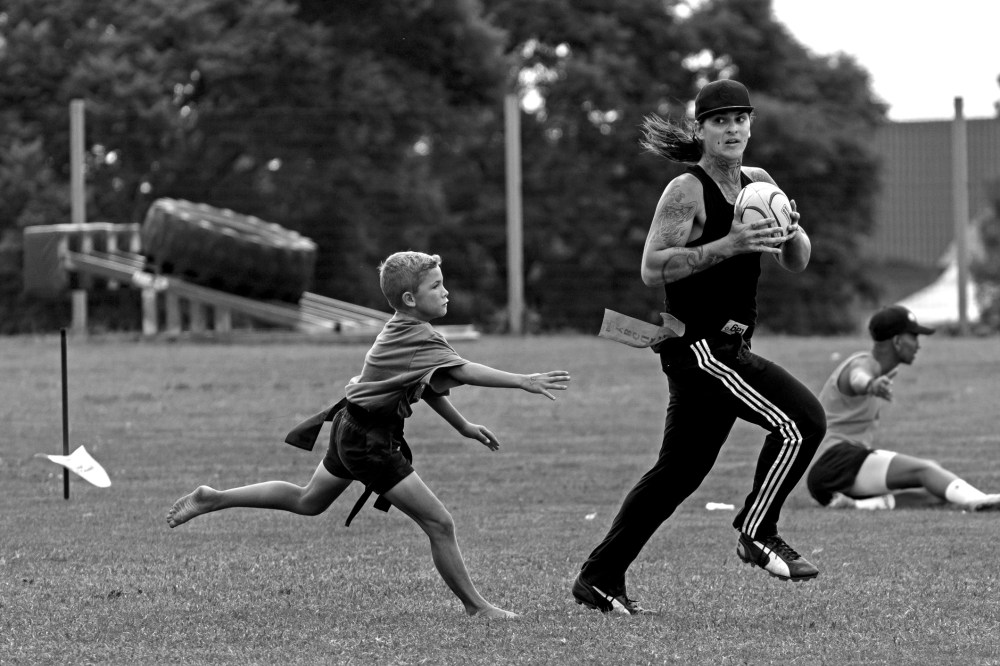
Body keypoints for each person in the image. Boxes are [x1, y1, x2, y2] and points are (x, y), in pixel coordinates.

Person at [167, 251, 571, 619]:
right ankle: (477, 607)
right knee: (440, 524)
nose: (446, 292)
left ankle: (215, 497)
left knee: (308, 501)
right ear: (411, 299)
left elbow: (425, 382)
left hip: (352, 427)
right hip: (368, 440)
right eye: (436, 286)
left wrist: (462, 425)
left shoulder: (405, 328)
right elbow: (462, 371)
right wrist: (523, 380)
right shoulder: (419, 335)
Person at [572, 79, 827, 615]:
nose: (732, 129)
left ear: (750, 125)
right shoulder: (685, 190)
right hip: (701, 348)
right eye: (720, 121)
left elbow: (797, 261)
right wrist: (728, 244)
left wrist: (793, 229)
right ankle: (756, 531)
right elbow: (650, 268)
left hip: (726, 346)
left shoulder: (760, 182)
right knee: (803, 421)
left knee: (678, 474)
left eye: (740, 118)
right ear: (701, 130)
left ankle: (598, 578)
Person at [807, 304, 1000, 512]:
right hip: (835, 460)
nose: (918, 345)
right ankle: (980, 500)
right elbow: (858, 378)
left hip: (829, 474)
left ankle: (856, 505)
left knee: (936, 483)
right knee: (926, 470)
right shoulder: (864, 363)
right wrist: (871, 385)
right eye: (914, 337)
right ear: (897, 341)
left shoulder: (876, 368)